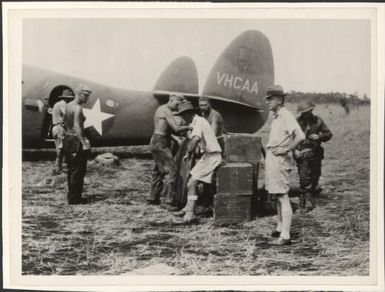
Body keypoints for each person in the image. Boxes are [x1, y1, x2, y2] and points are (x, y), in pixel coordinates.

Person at [264, 85, 305, 245]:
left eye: (271, 99)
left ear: (280, 100)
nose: (268, 102)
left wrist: (286, 149)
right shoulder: (276, 116)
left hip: (279, 159)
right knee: (276, 194)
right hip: (273, 157)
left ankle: (286, 236)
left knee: (282, 195)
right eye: (267, 99)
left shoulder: (286, 115)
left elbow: (300, 136)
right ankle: (280, 227)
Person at [173, 101, 222, 223]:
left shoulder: (199, 122)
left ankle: (190, 213)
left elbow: (195, 139)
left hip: (212, 157)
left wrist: (188, 153)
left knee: (192, 182)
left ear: (189, 114)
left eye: (183, 115)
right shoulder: (197, 122)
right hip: (207, 156)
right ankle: (188, 208)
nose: (182, 118)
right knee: (192, 181)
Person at [147, 94, 192, 211]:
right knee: (172, 171)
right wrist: (190, 127)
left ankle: (152, 197)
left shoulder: (161, 109)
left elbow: (169, 129)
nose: (178, 107)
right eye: (177, 104)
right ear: (171, 100)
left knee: (158, 170)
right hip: (160, 141)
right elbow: (176, 128)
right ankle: (168, 202)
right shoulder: (166, 111)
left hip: (158, 140)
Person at [294, 100, 333, 213]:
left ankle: (311, 197)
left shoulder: (318, 121)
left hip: (315, 154)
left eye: (308, 111)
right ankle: (303, 204)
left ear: (311, 110)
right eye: (303, 112)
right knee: (304, 178)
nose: (306, 114)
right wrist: (295, 150)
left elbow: (329, 134)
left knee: (315, 177)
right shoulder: (296, 122)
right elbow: (290, 138)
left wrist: (319, 136)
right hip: (302, 154)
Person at [63, 85, 92, 205]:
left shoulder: (69, 106)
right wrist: (83, 142)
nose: (87, 98)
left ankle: (72, 196)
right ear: (79, 94)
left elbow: (67, 123)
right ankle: (75, 199)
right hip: (76, 139)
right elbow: (77, 127)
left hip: (68, 138)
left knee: (71, 169)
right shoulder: (78, 108)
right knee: (78, 171)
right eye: (85, 95)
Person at [51, 89, 74, 174]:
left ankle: (60, 167)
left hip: (56, 127)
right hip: (60, 128)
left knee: (60, 148)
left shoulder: (57, 104)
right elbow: (67, 114)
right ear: (66, 98)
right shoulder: (63, 104)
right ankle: (58, 168)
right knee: (60, 149)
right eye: (69, 98)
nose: (70, 100)